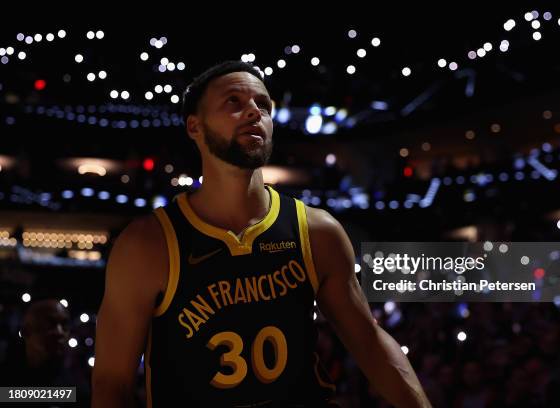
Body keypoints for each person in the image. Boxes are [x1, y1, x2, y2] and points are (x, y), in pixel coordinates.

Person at [92, 60, 431, 407]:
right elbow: (110, 383)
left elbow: (369, 343)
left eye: (263, 105)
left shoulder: (317, 231)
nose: (254, 112)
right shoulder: (148, 244)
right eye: (233, 102)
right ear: (195, 126)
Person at [0, 299, 90, 407]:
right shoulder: (6, 379)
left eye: (64, 324)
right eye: (49, 324)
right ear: (26, 331)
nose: (59, 332)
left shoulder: (76, 384)